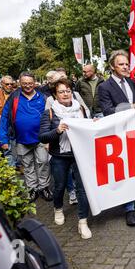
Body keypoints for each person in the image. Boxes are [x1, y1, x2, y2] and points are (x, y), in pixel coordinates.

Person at [39, 78, 92, 239]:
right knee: (60, 186)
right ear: (55, 95)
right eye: (61, 91)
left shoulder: (81, 109)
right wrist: (58, 130)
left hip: (79, 155)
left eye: (68, 91)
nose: (65, 94)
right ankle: (58, 209)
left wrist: (92, 124)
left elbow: (87, 128)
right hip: (59, 156)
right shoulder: (49, 112)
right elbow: (42, 137)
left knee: (82, 189)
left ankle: (83, 222)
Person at [98, 50, 135, 227]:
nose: (126, 67)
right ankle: (129, 209)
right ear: (112, 66)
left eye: (127, 64)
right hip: (118, 134)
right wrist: (131, 106)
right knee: (124, 169)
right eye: (121, 64)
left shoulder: (132, 83)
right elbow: (107, 110)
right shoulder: (104, 87)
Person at [0, 72, 52, 202]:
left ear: (34, 83)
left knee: (43, 162)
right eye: (24, 84)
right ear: (20, 83)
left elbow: (51, 116)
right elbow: (5, 117)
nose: (27, 86)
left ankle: (44, 187)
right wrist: (3, 139)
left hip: (41, 138)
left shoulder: (43, 97)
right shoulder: (14, 97)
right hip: (21, 139)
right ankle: (32, 188)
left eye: (30, 83)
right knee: (27, 165)